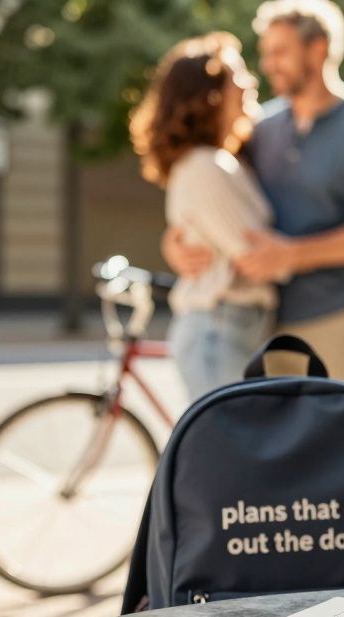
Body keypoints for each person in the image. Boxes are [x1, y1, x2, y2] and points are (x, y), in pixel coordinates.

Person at [163, 0, 344, 386]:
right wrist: (175, 244)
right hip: (266, 328)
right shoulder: (262, 127)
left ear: (318, 50)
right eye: (266, 53)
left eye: (280, 52)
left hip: (336, 318)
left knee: (335, 427)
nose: (268, 65)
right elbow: (214, 194)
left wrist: (290, 255)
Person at [130, 32, 279, 401]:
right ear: (208, 95)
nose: (249, 82)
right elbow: (257, 257)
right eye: (236, 76)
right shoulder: (206, 166)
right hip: (220, 328)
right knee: (226, 436)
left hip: (228, 327)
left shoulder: (224, 161)